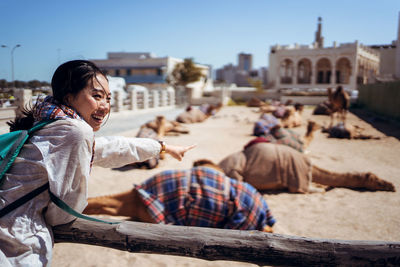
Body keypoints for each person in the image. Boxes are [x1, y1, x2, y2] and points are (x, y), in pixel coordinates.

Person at [0, 60, 195, 266]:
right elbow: (62, 215)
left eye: (108, 98)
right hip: (13, 247)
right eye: (97, 96)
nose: (105, 106)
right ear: (69, 96)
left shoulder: (49, 125)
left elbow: (109, 147)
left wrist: (162, 146)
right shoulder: (75, 131)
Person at [83, 166, 276, 232]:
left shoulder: (256, 199)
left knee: (108, 206)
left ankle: (70, 208)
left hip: (174, 182)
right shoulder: (252, 216)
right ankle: (69, 210)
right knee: (108, 209)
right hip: (176, 198)